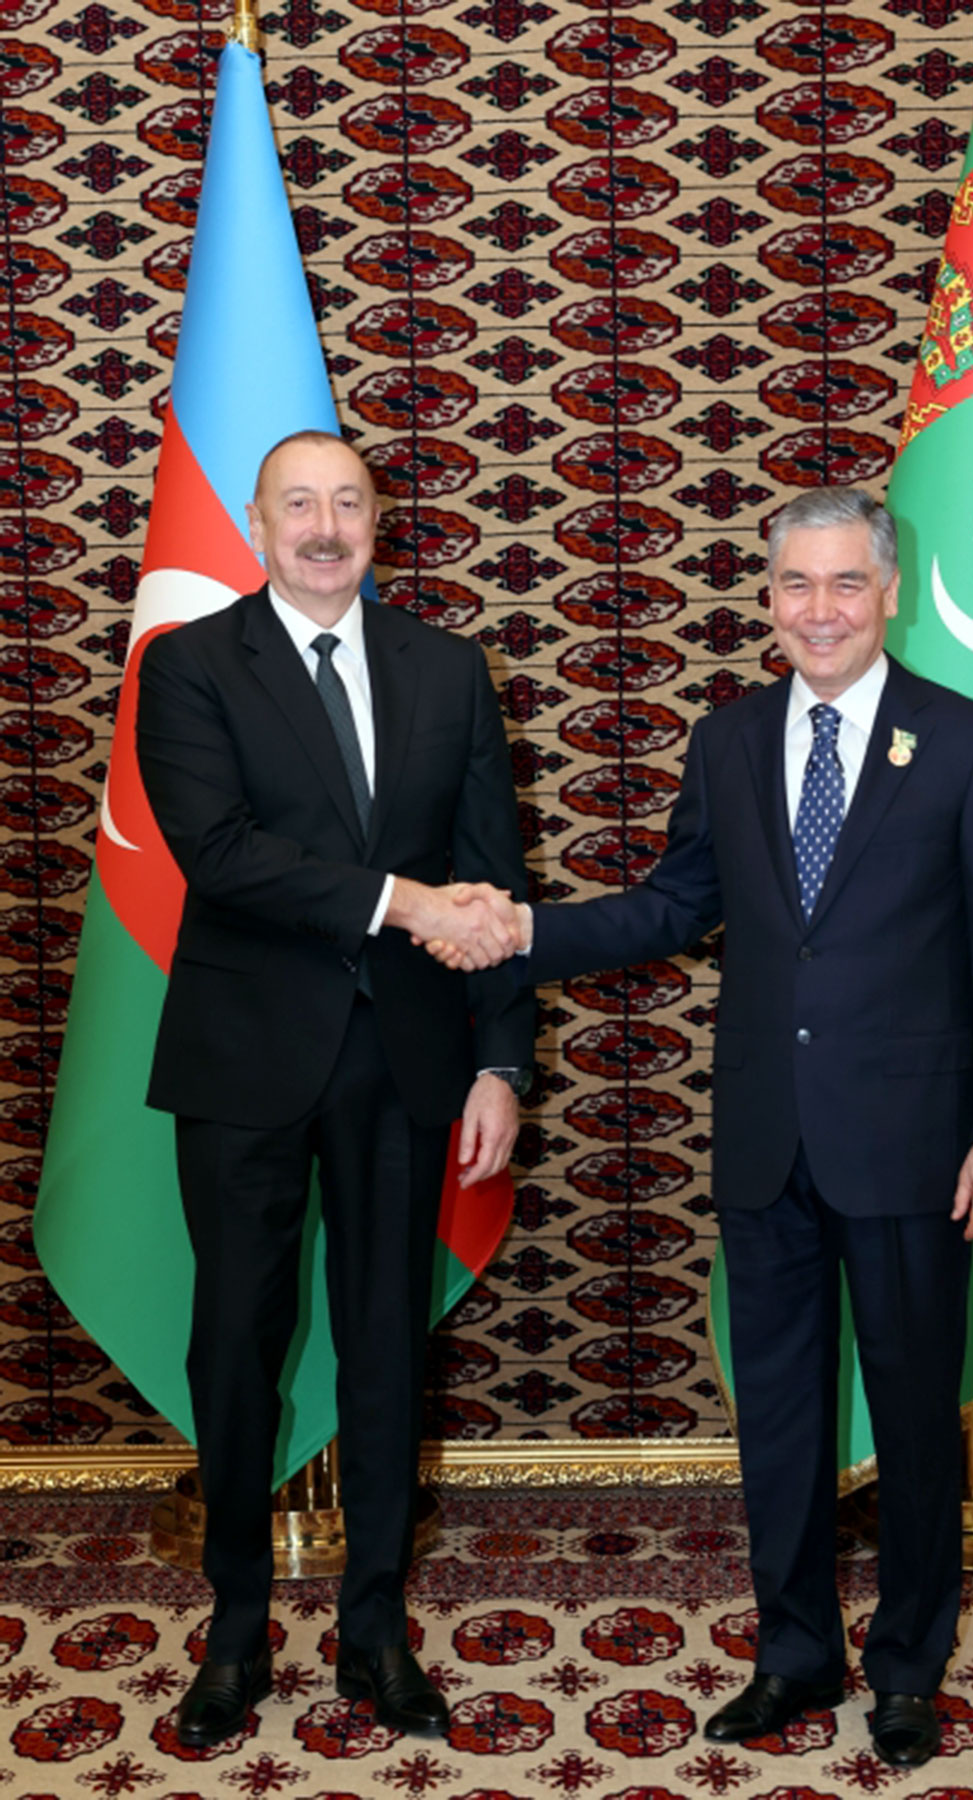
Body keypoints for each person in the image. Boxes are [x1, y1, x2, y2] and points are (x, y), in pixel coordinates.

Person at [423, 487, 973, 1768]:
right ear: (768, 602)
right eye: (794, 588)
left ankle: (911, 1665)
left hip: (917, 1147)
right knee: (778, 1412)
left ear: (891, 592)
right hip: (768, 1137)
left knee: (919, 1414)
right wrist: (524, 930)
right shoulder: (727, 739)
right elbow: (669, 907)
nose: (818, 611)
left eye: (844, 586)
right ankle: (795, 1653)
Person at [136, 430, 533, 1748]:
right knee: (234, 1348)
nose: (324, 526)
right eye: (298, 504)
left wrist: (499, 1059)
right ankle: (236, 1631)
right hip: (247, 1056)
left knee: (384, 1352)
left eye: (347, 503)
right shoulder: (190, 664)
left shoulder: (451, 669)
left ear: (377, 522)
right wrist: (399, 900)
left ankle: (376, 1631)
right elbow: (221, 852)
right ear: (255, 524)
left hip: (406, 1059)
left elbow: (492, 875)